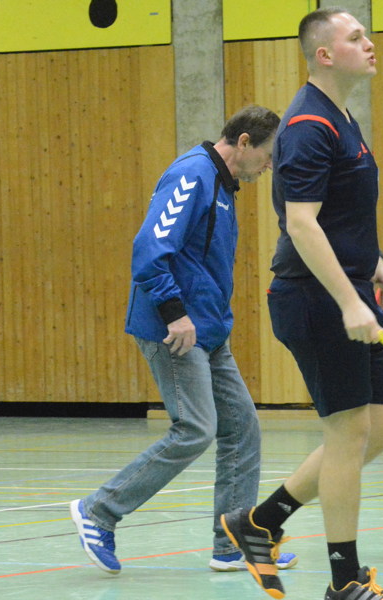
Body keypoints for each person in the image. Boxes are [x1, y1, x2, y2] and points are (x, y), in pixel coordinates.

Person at [219, 9, 383, 600]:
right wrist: (350, 301)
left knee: (378, 432)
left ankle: (261, 522)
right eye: (355, 37)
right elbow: (301, 223)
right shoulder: (307, 125)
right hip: (317, 298)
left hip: (352, 287)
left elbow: (341, 208)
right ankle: (344, 581)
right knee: (348, 433)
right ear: (324, 55)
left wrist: (373, 259)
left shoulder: (342, 116)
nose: (369, 43)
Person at [68, 105, 299, 574]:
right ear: (244, 143)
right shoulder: (192, 175)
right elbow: (149, 248)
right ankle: (99, 510)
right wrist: (175, 313)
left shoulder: (223, 186)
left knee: (243, 429)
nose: (271, 166)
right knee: (195, 428)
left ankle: (231, 543)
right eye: (269, 155)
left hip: (208, 331)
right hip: (173, 328)